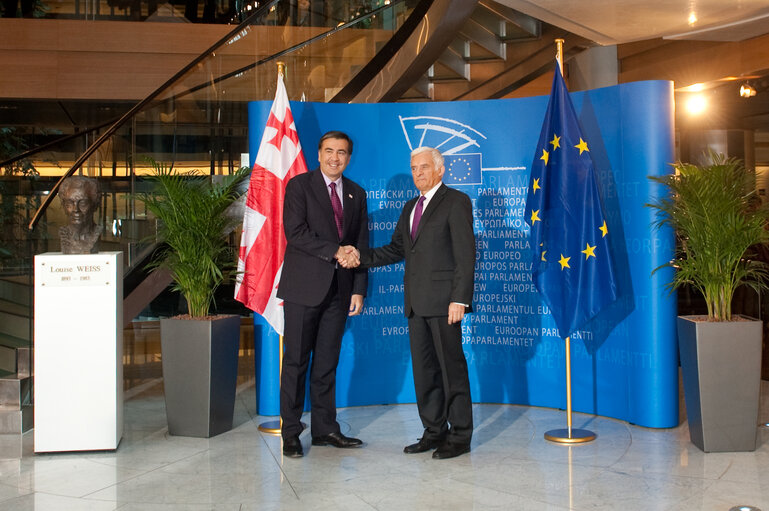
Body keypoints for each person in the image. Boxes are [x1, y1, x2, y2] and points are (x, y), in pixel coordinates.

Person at [340, 146, 475, 459]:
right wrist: (359, 258)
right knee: (425, 372)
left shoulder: (456, 202)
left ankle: (461, 436)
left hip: (445, 305)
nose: (418, 173)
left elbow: (466, 256)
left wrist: (460, 299)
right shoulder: (410, 206)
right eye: (414, 168)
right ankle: (434, 431)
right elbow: (396, 250)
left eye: (424, 167)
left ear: (440, 170)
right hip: (415, 305)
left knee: (451, 370)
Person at [277, 130, 369, 458]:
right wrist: (336, 251)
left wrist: (359, 288)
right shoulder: (299, 186)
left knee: (327, 363)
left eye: (342, 152)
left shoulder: (357, 193)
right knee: (296, 362)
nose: (335, 158)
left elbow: (361, 242)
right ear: (318, 154)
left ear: (349, 157)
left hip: (340, 292)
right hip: (303, 289)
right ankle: (290, 432)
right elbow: (296, 233)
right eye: (329, 151)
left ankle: (325, 429)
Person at [58, 175, 101, 255]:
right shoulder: (63, 235)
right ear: (63, 206)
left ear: (95, 205)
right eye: (70, 203)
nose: (76, 209)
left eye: (83, 203)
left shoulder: (97, 234)